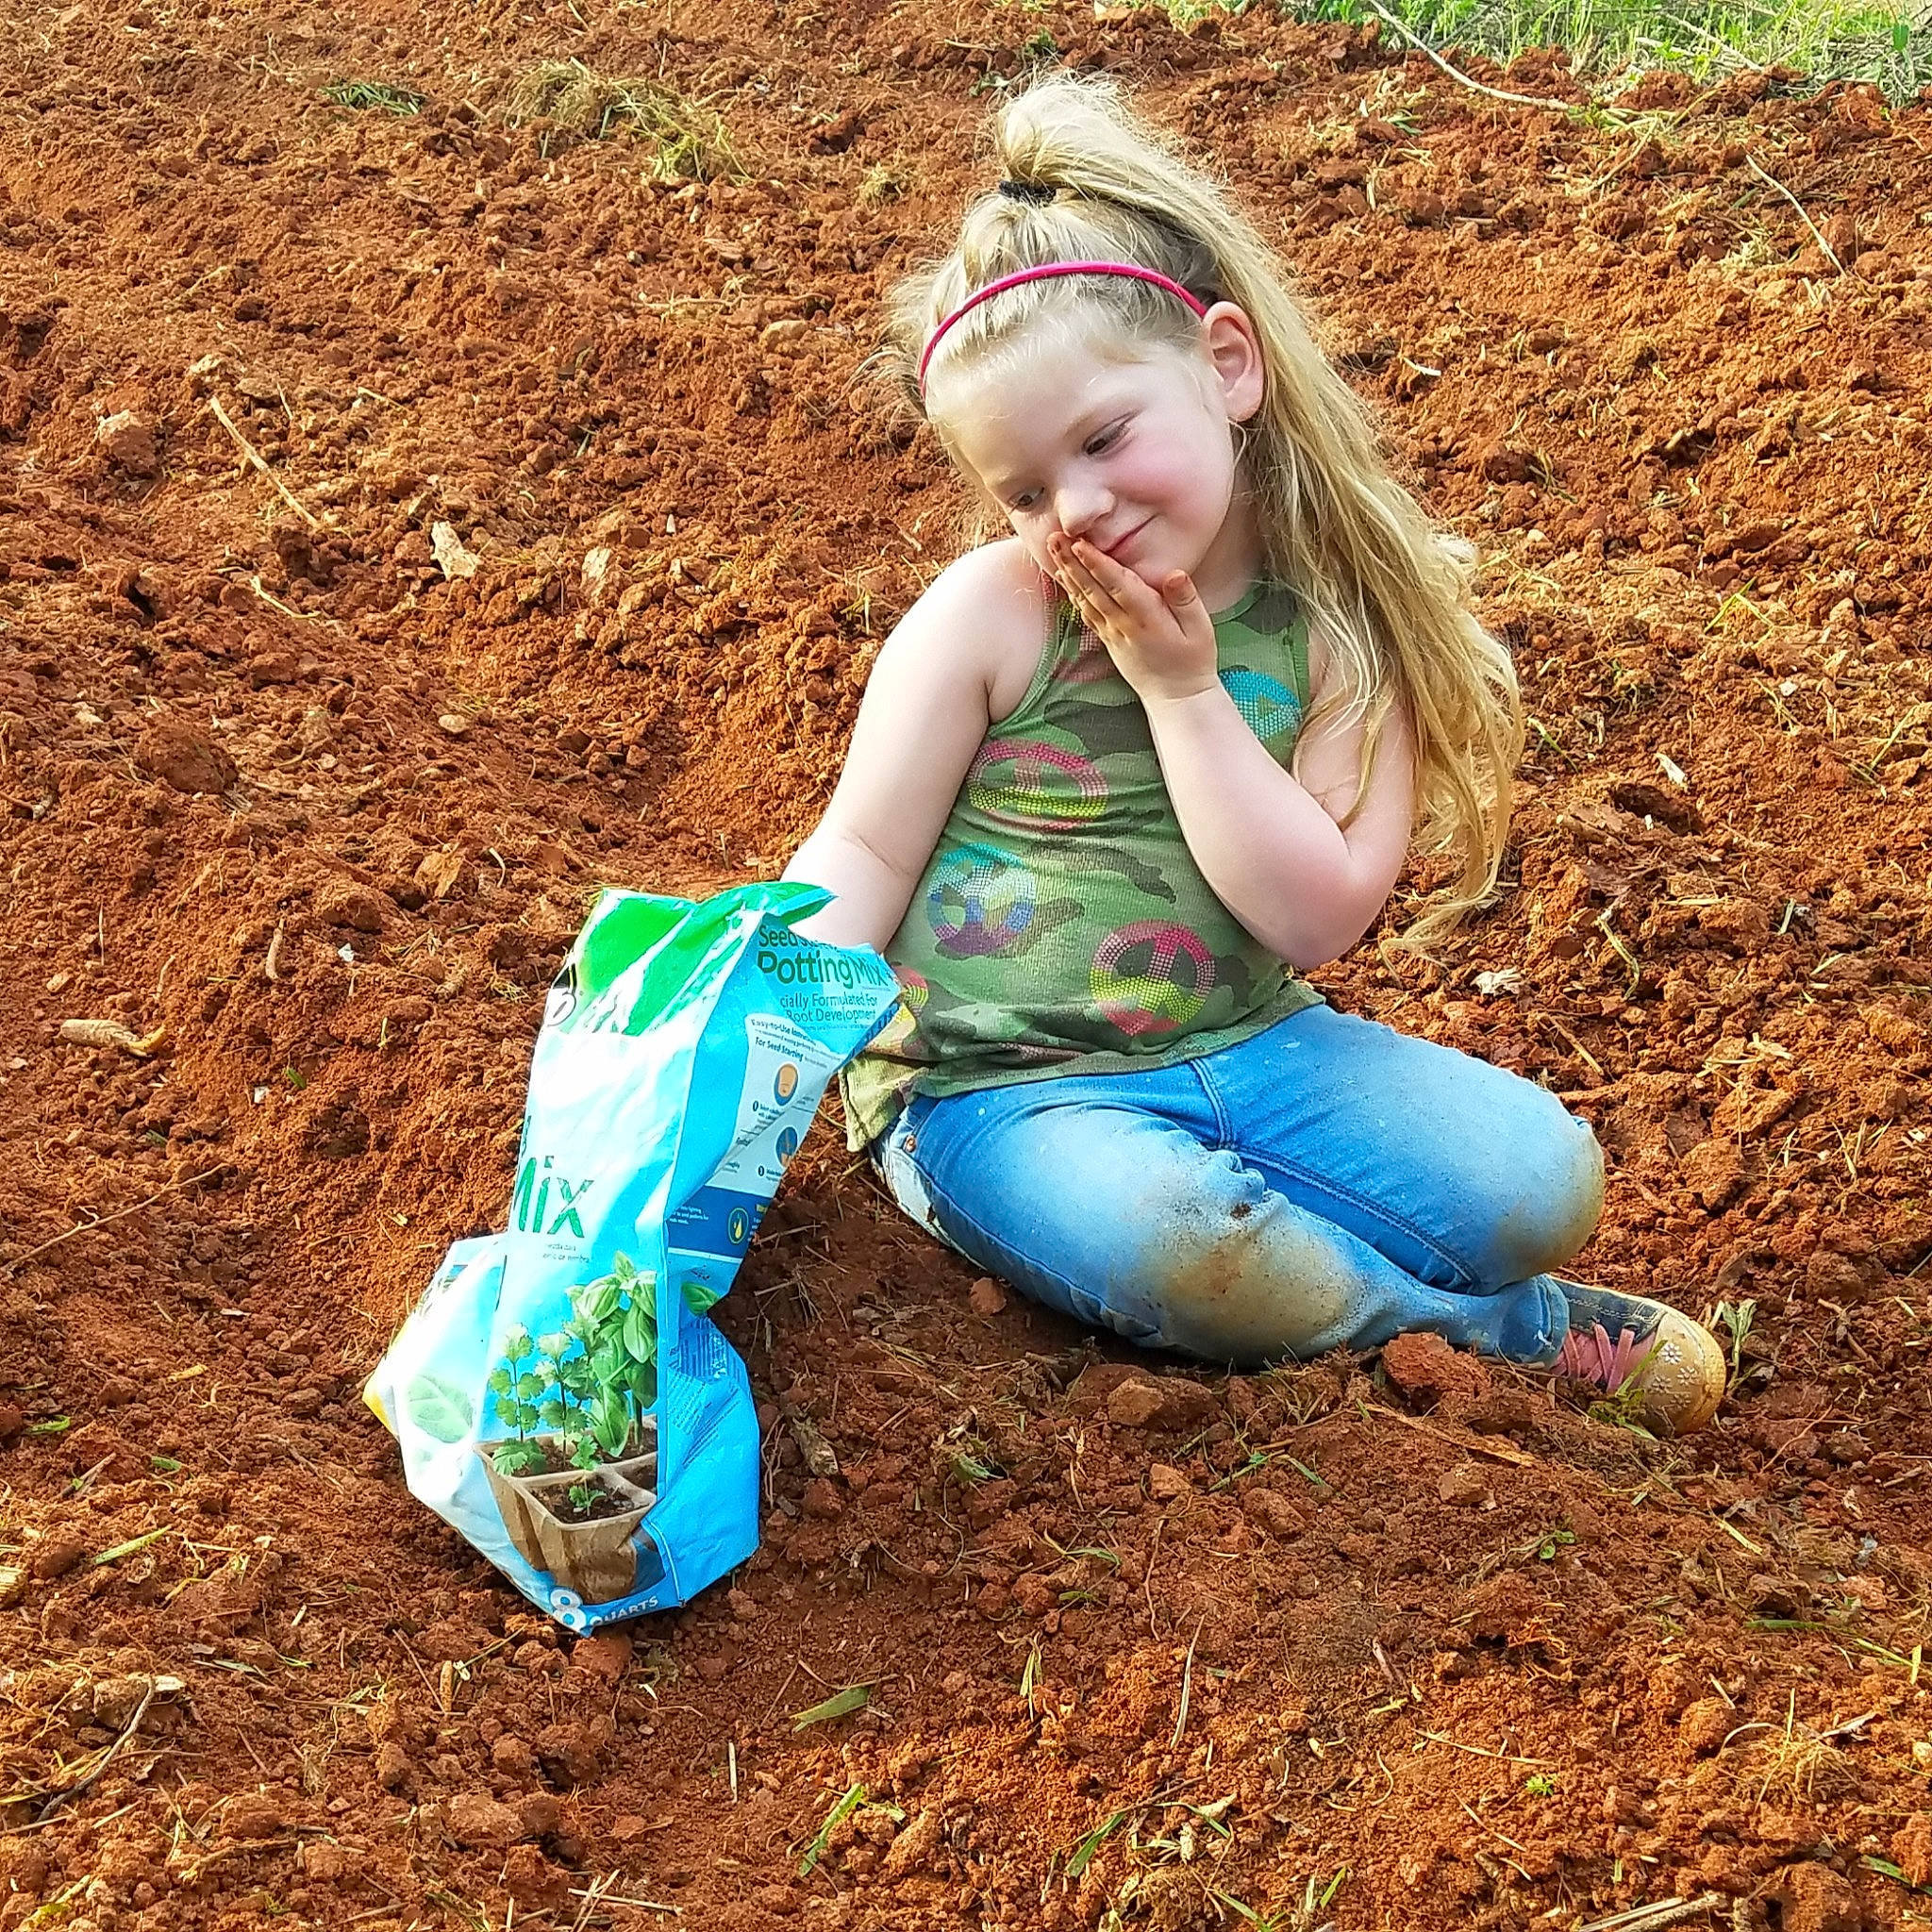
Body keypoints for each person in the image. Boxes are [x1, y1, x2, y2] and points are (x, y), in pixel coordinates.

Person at [780, 75, 1725, 1435]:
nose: (1081, 509)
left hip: (1254, 1043)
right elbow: (863, 848)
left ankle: (1404, 1270)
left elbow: (1313, 914)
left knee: (1540, 1180)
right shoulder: (993, 613)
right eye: (1030, 488)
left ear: (1228, 366)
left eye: (1105, 440)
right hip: (994, 1088)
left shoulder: (1340, 631)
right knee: (1187, 1242)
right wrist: (756, 997)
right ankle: (1503, 1338)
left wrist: (1183, 692)